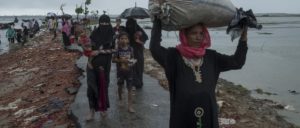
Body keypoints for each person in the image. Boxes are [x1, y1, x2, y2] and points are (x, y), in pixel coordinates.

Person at [149, 18, 248, 128]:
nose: (198, 37)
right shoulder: (173, 56)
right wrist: (157, 20)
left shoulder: (212, 57)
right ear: (184, 35)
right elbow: (154, 48)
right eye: (194, 33)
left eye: (201, 33)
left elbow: (237, 62)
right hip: (182, 117)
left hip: (208, 115)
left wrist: (243, 36)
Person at [85, 14, 115, 120]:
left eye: (106, 23)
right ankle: (91, 110)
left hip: (105, 66)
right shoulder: (94, 34)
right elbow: (88, 50)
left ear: (109, 23)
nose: (104, 25)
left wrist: (101, 51)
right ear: (99, 23)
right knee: (91, 87)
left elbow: (115, 50)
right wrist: (89, 59)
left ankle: (103, 108)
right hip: (92, 64)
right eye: (102, 23)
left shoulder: (112, 35)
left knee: (103, 86)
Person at [112, 32, 136, 113]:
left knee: (129, 89)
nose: (124, 40)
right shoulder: (117, 50)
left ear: (128, 40)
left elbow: (133, 58)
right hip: (120, 72)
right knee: (120, 87)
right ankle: (120, 99)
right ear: (119, 40)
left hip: (129, 71)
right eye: (122, 38)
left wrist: (132, 61)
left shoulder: (131, 49)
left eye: (125, 38)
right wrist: (121, 60)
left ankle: (130, 106)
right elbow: (113, 60)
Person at [125, 18, 148, 89]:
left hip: (138, 52)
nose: (130, 27)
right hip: (129, 52)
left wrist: (139, 40)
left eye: (131, 25)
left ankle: (139, 83)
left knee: (139, 67)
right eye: (128, 25)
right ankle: (132, 83)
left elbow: (145, 38)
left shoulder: (139, 30)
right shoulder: (126, 31)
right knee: (130, 67)